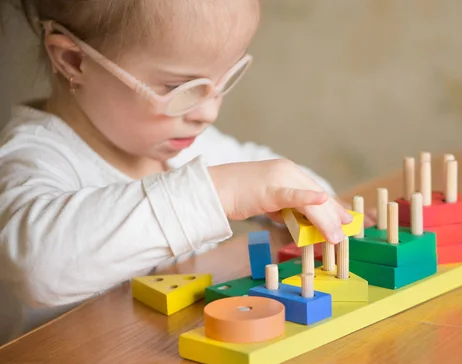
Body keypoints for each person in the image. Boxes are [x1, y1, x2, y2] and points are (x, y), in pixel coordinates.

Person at [0, 0, 366, 344]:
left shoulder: (185, 142)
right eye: (181, 88)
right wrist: (222, 192)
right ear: (73, 60)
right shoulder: (34, 158)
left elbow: (276, 180)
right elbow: (40, 268)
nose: (208, 113)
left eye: (225, 79)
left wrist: (317, 206)